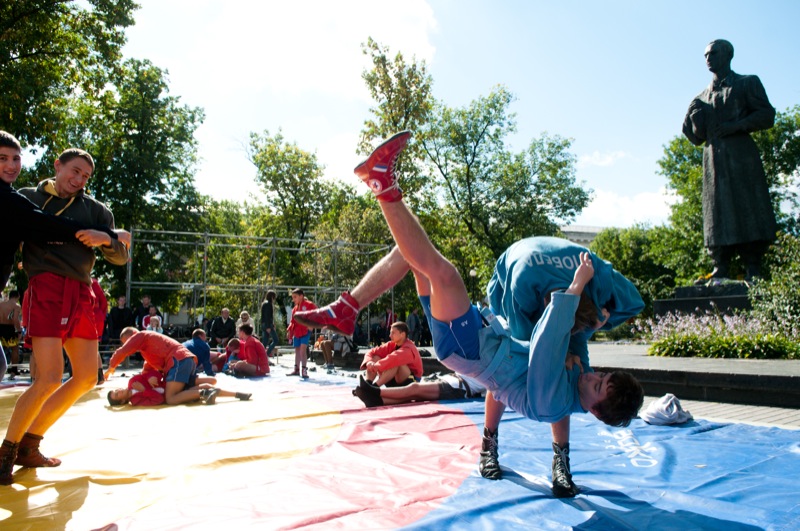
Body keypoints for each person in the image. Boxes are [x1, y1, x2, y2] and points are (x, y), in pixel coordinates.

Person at [293, 131, 644, 496]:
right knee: (414, 257)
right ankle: (348, 307)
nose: (593, 377)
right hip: (475, 342)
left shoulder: (552, 401)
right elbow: (569, 346)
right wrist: (588, 328)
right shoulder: (574, 384)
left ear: (595, 411)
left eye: (598, 385)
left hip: (472, 349)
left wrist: (575, 288)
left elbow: (544, 346)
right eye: (601, 375)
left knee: (444, 273)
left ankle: (382, 182)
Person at [1, 145, 128, 486]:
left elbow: (121, 256)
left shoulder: (97, 210)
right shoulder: (27, 197)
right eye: (74, 171)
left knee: (88, 376)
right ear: (57, 165)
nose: (79, 180)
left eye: (85, 176)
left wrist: (107, 239)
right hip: (46, 287)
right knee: (49, 377)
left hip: (82, 290)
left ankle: (30, 442)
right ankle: (6, 452)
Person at [483, 235, 644, 495]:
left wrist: (604, 320)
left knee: (574, 378)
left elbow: (635, 302)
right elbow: (527, 349)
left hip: (579, 295)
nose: (592, 377)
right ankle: (488, 443)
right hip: (514, 274)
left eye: (600, 380)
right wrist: (558, 352)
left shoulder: (600, 286)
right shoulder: (522, 288)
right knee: (506, 371)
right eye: (599, 378)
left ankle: (561, 459)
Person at [682, 39, 776, 280]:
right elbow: (693, 136)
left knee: (748, 207)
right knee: (716, 211)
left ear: (728, 55)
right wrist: (695, 120)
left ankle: (753, 266)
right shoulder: (701, 96)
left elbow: (766, 115)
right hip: (714, 162)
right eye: (705, 55)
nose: (708, 58)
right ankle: (720, 265)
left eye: (713, 53)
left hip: (742, 157)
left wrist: (736, 126)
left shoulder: (747, 83)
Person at [105, 327, 252, 405]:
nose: (131, 346)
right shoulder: (147, 346)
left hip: (178, 361)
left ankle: (204, 393)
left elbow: (123, 351)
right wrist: (147, 380)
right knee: (205, 385)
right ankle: (236, 394)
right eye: (118, 393)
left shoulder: (141, 336)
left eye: (128, 342)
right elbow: (148, 369)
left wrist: (111, 368)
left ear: (131, 337)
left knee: (171, 398)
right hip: (184, 360)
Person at [353, 372, 485, 408]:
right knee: (412, 396)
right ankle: (377, 401)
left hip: (456, 388)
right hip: (452, 382)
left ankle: (375, 391)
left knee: (414, 388)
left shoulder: (495, 370)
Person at [360, 321, 422, 387]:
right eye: (390, 333)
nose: (390, 335)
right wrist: (369, 362)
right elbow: (371, 352)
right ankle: (368, 384)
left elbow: (394, 358)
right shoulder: (391, 344)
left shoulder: (409, 348)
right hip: (392, 378)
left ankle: (375, 387)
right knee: (375, 357)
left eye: (393, 333)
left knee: (395, 362)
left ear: (402, 334)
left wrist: (376, 366)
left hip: (410, 381)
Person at [286, 289, 316, 378]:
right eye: (293, 297)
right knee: (297, 351)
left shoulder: (309, 305)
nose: (293, 299)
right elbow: (292, 321)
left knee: (303, 350)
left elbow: (316, 313)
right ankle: (296, 369)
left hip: (305, 331)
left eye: (295, 297)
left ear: (301, 296)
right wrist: (289, 331)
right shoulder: (294, 309)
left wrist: (312, 325)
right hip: (297, 331)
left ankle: (304, 369)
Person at [0, 291, 22, 368]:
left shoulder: (1, 304)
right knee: (15, 349)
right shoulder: (16, 306)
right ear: (17, 297)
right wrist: (19, 331)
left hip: (0, 327)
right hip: (9, 328)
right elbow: (15, 319)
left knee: (0, 348)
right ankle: (14, 370)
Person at [260, 290, 279, 357]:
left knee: (265, 341)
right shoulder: (268, 304)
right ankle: (266, 353)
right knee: (275, 340)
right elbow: (267, 316)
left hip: (265, 324)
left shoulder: (264, 303)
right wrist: (269, 326)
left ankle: (262, 354)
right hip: (267, 325)